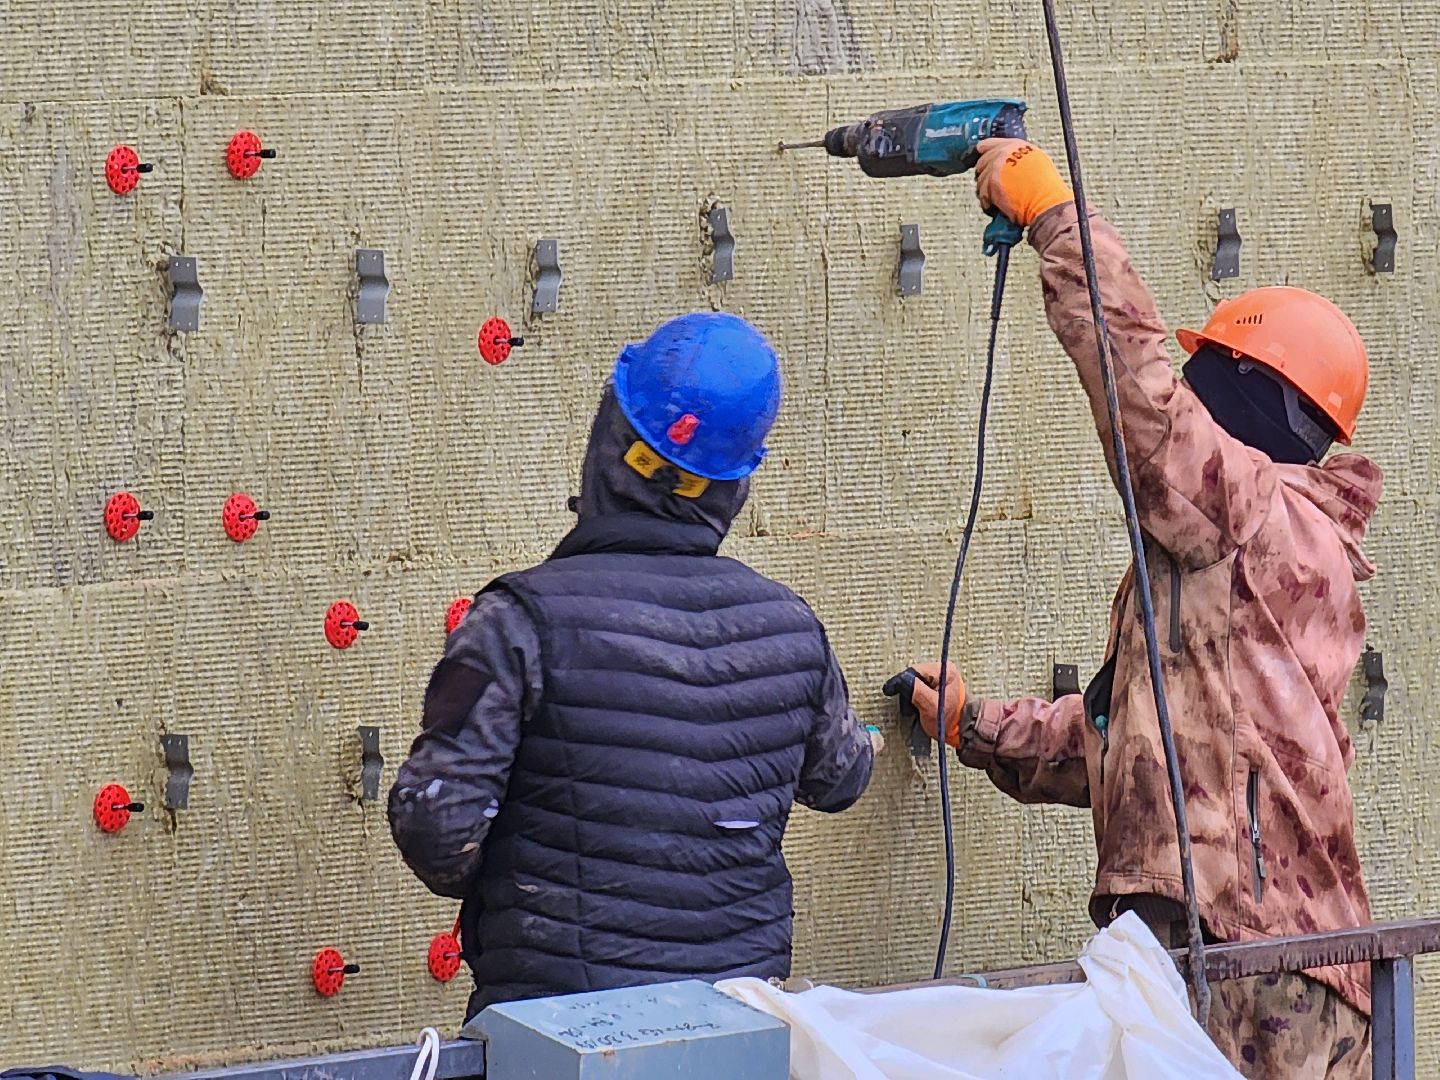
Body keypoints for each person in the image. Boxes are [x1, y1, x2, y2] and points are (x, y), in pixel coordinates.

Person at [885, 139, 1379, 1078]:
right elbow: (1140, 747)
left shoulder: (1249, 514)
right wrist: (975, 727)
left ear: (1254, 393)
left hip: (1252, 957)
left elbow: (1142, 389)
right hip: (1264, 963)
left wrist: (1055, 219)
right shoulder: (1247, 552)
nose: (1190, 389)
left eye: (1212, 372)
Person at [390, 312, 879, 1019]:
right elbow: (839, 777)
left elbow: (439, 833)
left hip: (558, 1033)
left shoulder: (520, 622)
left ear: (609, 441)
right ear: (733, 486)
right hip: (738, 1035)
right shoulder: (790, 629)